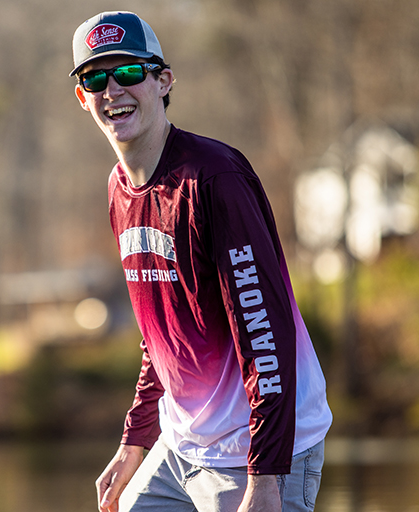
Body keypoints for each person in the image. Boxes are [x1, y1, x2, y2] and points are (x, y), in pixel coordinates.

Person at [69, 11, 334, 512]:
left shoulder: (213, 179)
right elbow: (162, 334)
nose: (112, 90)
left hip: (257, 450)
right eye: (95, 78)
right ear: (82, 97)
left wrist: (267, 478)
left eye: (128, 73)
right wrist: (135, 441)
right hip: (181, 447)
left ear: (163, 80)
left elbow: (266, 334)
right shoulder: (118, 190)